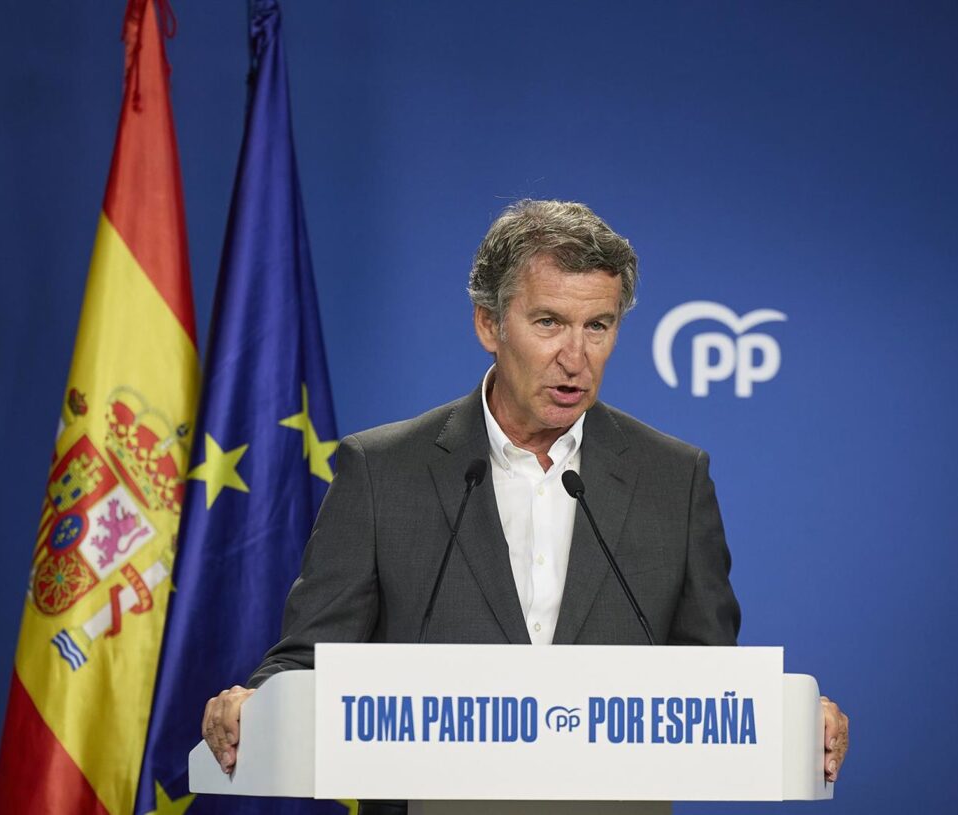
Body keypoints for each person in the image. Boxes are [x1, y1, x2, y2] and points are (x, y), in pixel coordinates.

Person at [202, 200, 849, 790]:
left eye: (599, 326)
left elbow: (710, 684)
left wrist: (789, 719)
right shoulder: (382, 471)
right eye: (550, 322)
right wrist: (253, 702)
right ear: (489, 324)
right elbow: (309, 659)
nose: (576, 356)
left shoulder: (673, 479)